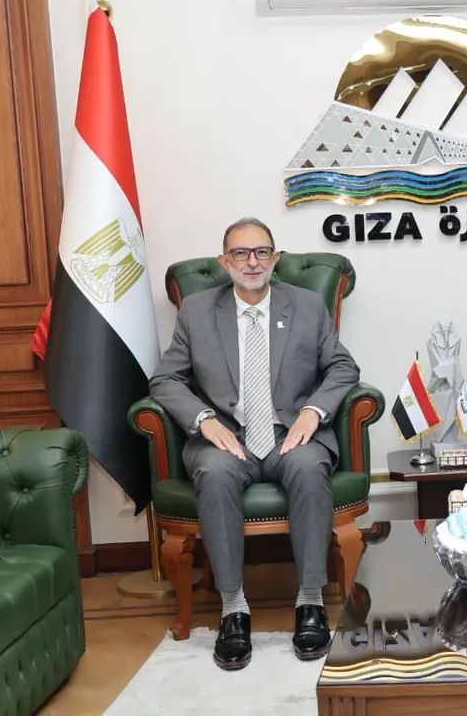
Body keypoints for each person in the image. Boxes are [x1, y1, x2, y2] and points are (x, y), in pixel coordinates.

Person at [150, 217, 359, 669]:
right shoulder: (197, 311)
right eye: (241, 253)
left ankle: (310, 603)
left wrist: (313, 411)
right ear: (224, 261)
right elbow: (165, 379)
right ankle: (233, 610)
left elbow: (343, 367)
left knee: (309, 467)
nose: (252, 262)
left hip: (290, 433)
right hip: (228, 436)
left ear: (275, 259)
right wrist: (204, 420)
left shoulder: (306, 306)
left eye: (262, 252)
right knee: (214, 472)